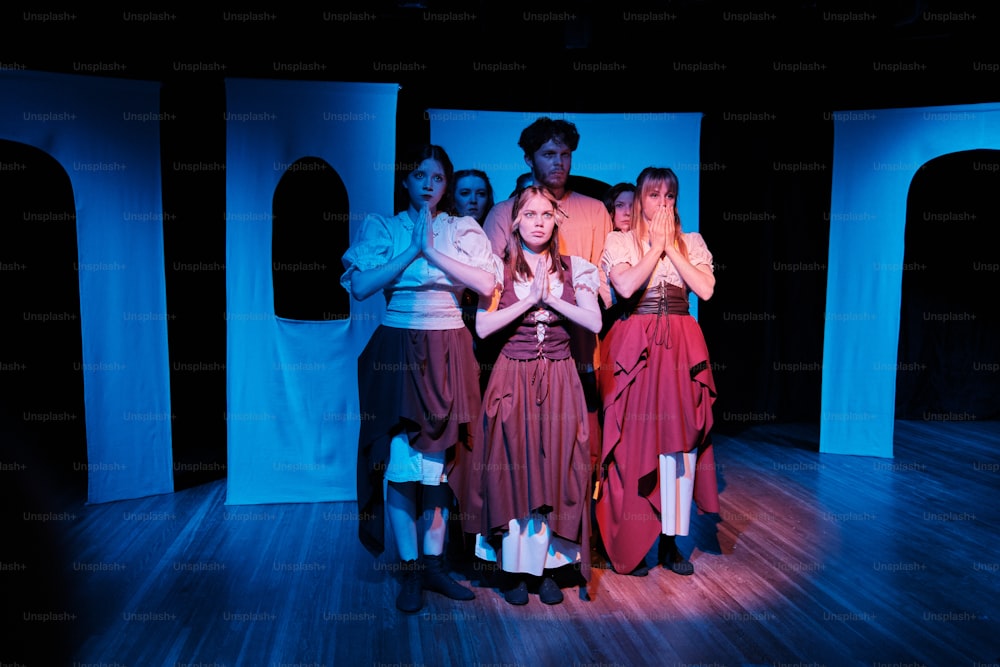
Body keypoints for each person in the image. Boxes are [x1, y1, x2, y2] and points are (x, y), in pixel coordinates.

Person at [341, 144, 497, 613]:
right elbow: (363, 285)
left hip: (448, 347)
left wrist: (433, 251)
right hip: (397, 348)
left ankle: (433, 567)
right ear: (405, 182)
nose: (428, 184)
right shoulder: (384, 226)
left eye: (437, 177)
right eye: (418, 175)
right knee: (400, 465)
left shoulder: (462, 228)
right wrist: (412, 250)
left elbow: (487, 285)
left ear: (446, 185)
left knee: (438, 467)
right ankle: (409, 571)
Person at [454, 186, 601, 606]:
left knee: (556, 467)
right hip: (512, 379)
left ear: (557, 220)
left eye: (547, 213)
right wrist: (529, 300)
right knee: (514, 470)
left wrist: (549, 296)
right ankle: (517, 569)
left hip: (559, 378)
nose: (539, 221)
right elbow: (483, 328)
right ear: (515, 220)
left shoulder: (576, 269)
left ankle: (549, 568)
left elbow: (591, 320)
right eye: (530, 213)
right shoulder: (497, 269)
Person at [595, 167, 720, 578]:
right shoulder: (619, 239)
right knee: (632, 441)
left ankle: (670, 543)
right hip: (637, 344)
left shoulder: (693, 241)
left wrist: (674, 249)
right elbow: (627, 288)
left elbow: (704, 290)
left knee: (679, 443)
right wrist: (655, 248)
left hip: (681, 344)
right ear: (640, 198)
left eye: (669, 195)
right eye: (653, 195)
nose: (662, 202)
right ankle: (628, 541)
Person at [483, 117, 613, 486]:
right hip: (519, 350)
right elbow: (494, 284)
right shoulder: (502, 213)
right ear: (529, 159)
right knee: (520, 448)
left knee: (578, 443)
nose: (558, 162)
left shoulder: (594, 211)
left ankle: (576, 532)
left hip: (581, 348)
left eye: (565, 154)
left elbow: (602, 281)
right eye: (548, 154)